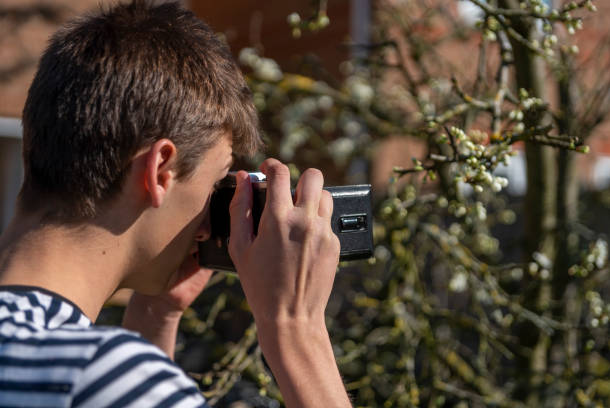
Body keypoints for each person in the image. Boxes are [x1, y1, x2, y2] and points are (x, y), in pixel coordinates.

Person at [0, 1, 352, 407]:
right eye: (215, 184)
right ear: (160, 170)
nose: (206, 226)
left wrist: (155, 313)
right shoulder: (102, 375)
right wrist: (297, 328)